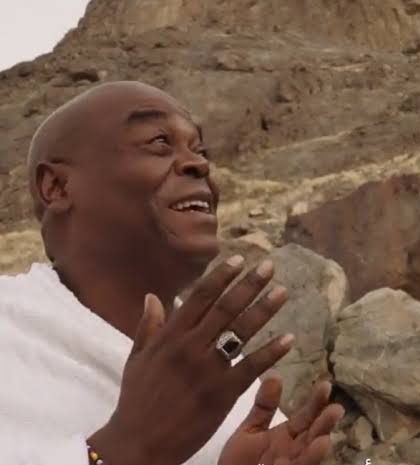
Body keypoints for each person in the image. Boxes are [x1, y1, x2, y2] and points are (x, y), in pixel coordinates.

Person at [0, 81, 344, 465]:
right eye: (159, 142)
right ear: (58, 186)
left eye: (200, 150)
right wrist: (129, 448)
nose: (200, 164)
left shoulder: (223, 384)